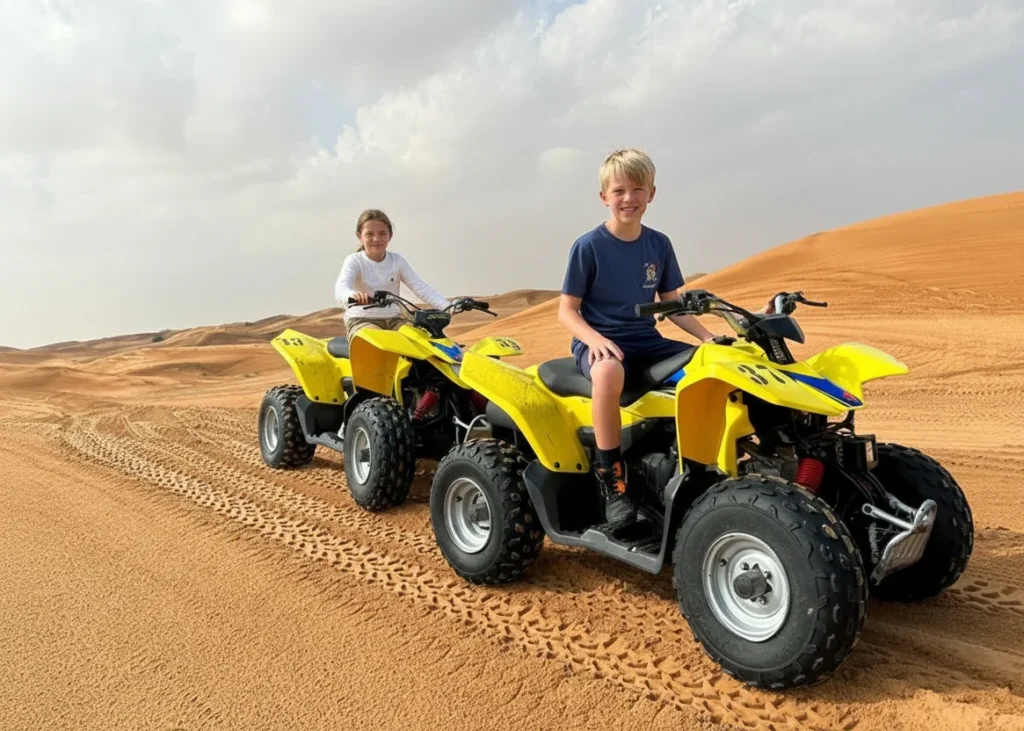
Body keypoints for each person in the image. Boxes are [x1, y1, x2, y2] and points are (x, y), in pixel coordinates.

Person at [557, 148, 716, 530]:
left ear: (652, 194)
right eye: (619, 191)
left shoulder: (659, 244)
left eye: (637, 189)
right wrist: (593, 340)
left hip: (646, 338)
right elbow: (567, 310)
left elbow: (672, 305)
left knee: (714, 366)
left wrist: (709, 338)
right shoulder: (588, 246)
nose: (628, 198)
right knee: (609, 373)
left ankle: (704, 464)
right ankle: (611, 478)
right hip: (599, 341)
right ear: (604, 197)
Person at [335, 209, 452, 343]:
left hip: (395, 320)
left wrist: (447, 307)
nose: (376, 239)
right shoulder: (354, 261)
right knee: (382, 343)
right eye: (369, 234)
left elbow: (420, 287)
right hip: (362, 320)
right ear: (359, 236)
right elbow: (341, 288)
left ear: (390, 235)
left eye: (382, 233)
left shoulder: (397, 260)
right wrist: (351, 295)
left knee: (422, 343)